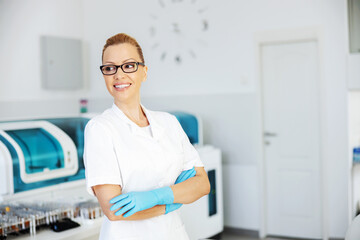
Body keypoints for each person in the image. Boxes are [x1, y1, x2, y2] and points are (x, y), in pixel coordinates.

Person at [83, 33, 210, 240]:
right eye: (109, 68)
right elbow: (114, 210)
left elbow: (202, 184)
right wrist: (171, 202)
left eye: (129, 65)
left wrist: (155, 197)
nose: (119, 75)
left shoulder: (168, 122)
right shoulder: (99, 129)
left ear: (144, 72)